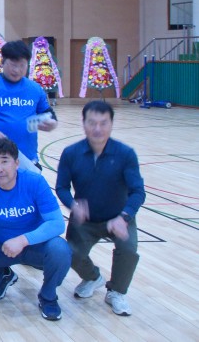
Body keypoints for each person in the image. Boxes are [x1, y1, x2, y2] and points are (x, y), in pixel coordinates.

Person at [0, 136, 71, 321]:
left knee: (60, 250)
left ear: (16, 163)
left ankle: (48, 296)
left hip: (35, 245)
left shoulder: (35, 182)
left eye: (4, 161)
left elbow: (57, 223)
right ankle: (2, 278)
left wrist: (23, 240)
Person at [55, 101, 146, 317]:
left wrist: (124, 217)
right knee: (70, 253)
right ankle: (93, 277)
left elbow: (138, 192)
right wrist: (73, 205)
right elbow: (61, 187)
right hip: (85, 220)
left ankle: (116, 292)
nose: (97, 129)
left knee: (128, 250)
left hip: (119, 218)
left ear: (111, 124)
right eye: (92, 123)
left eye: (103, 123)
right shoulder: (71, 153)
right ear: (83, 123)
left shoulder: (126, 154)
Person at [0, 40, 57, 169]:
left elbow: (49, 114)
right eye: (13, 65)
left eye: (22, 65)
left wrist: (52, 123)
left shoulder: (35, 89)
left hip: (29, 160)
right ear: (2, 62)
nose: (17, 70)